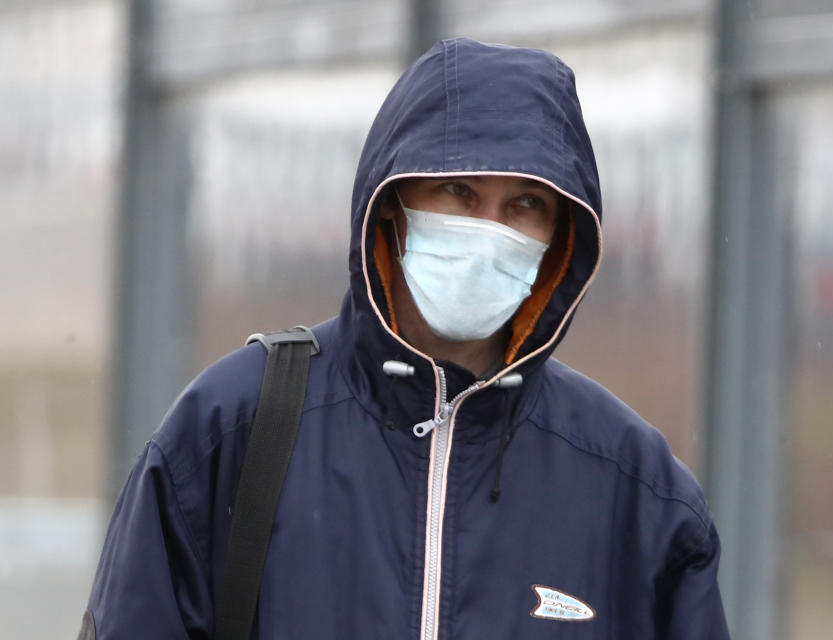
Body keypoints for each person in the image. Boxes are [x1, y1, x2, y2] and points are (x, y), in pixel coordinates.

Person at [81, 38, 729, 639]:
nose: (488, 231)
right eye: (458, 191)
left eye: (525, 205)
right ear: (391, 201)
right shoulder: (235, 429)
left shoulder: (634, 487)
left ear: (560, 236)